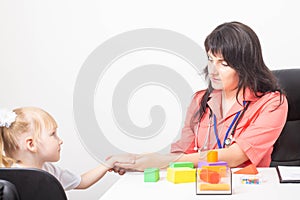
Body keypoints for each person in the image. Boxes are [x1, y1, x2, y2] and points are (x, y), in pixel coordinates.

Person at [107, 21, 288, 171]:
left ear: (246, 66)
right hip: (202, 185)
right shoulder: (200, 101)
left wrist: (162, 161)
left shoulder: (272, 103)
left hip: (247, 188)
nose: (213, 71)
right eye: (210, 59)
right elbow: (184, 155)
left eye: (223, 64)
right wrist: (137, 161)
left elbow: (235, 156)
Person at [0, 107, 130, 190]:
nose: (60, 141)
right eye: (53, 134)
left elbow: (82, 182)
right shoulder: (9, 181)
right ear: (31, 145)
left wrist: (108, 164)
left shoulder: (50, 171)